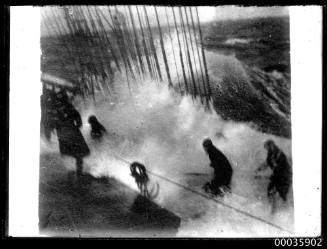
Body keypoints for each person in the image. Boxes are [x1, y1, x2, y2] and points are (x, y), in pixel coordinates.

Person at [53, 90, 90, 177]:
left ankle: (72, 171)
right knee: (78, 153)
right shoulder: (68, 106)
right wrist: (78, 125)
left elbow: (53, 121)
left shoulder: (57, 108)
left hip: (64, 133)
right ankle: (77, 171)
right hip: (71, 132)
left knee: (69, 153)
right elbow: (77, 116)